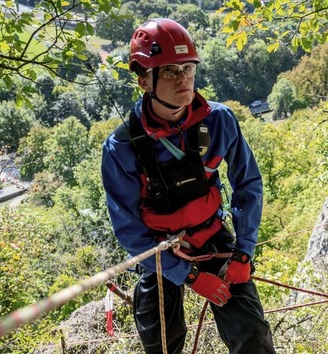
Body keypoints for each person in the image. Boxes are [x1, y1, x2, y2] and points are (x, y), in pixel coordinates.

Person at [101, 18, 276, 354]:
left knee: (252, 335)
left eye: (187, 68)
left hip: (211, 234)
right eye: (169, 71)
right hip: (158, 251)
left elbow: (248, 184)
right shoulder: (121, 149)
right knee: (162, 344)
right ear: (144, 80)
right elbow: (130, 231)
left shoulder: (218, 120)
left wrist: (243, 253)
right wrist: (191, 276)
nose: (183, 78)